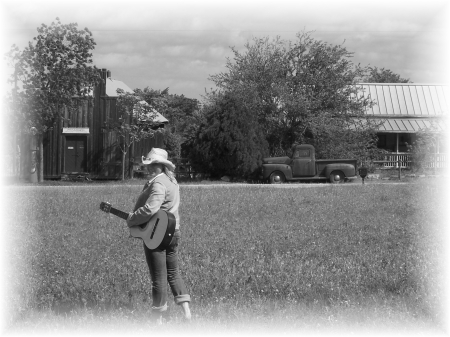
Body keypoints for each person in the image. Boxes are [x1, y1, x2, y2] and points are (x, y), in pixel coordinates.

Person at [126, 148, 191, 324]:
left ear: (158, 166)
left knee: (158, 279)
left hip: (158, 235)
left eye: (151, 164)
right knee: (173, 274)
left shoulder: (158, 183)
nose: (148, 168)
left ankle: (158, 320)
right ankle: (187, 312)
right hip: (174, 232)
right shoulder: (172, 180)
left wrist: (133, 219)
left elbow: (151, 208)